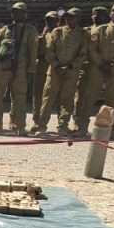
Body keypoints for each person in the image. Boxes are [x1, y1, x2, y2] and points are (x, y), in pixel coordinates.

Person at [76, 2, 114, 137]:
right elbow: (92, 48)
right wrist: (101, 63)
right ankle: (81, 127)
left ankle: (109, 130)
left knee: (112, 99)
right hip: (97, 68)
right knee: (89, 97)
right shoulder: (101, 29)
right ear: (110, 13)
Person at [32, 8, 86, 136]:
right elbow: (49, 50)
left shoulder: (83, 34)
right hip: (54, 71)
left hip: (71, 72)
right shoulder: (57, 32)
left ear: (78, 18)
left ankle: (63, 126)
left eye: (72, 17)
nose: (68, 19)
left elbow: (83, 54)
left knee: (67, 99)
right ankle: (41, 126)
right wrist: (56, 65)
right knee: (47, 99)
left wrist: (70, 66)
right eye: (67, 16)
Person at [0, 2, 38, 134]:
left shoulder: (31, 31)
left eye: (18, 12)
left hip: (21, 69)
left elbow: (33, 52)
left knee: (20, 98)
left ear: (24, 14)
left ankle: (20, 126)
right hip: (2, 68)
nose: (15, 14)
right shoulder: (4, 30)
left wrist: (31, 70)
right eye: (13, 12)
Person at [73, 6, 110, 133]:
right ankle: (77, 123)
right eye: (94, 14)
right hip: (84, 67)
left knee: (91, 98)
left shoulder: (107, 31)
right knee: (79, 97)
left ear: (105, 17)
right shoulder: (85, 30)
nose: (96, 16)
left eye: (100, 14)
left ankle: (83, 125)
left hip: (99, 68)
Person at [33, 10, 59, 114]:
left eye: (52, 20)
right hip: (42, 63)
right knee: (38, 90)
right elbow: (36, 48)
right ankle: (37, 116)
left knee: (52, 92)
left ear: (57, 21)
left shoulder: (60, 33)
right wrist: (43, 35)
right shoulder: (43, 34)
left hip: (55, 65)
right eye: (47, 20)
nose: (49, 22)